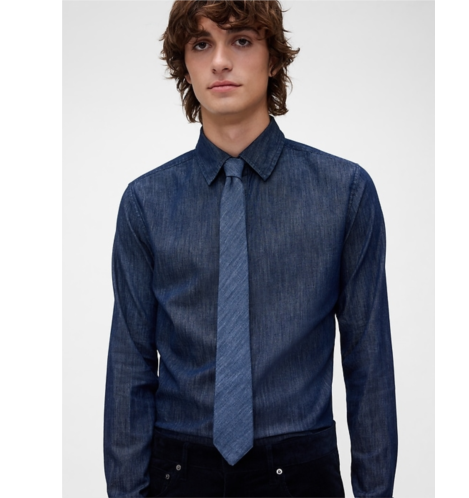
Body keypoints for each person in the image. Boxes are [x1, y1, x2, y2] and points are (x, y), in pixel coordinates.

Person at [103, 0, 398, 497]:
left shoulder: (344, 193)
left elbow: (369, 363)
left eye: (241, 40)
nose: (220, 61)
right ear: (185, 66)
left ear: (273, 58)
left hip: (302, 474)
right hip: (179, 473)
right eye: (201, 44)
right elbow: (129, 366)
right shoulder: (146, 203)